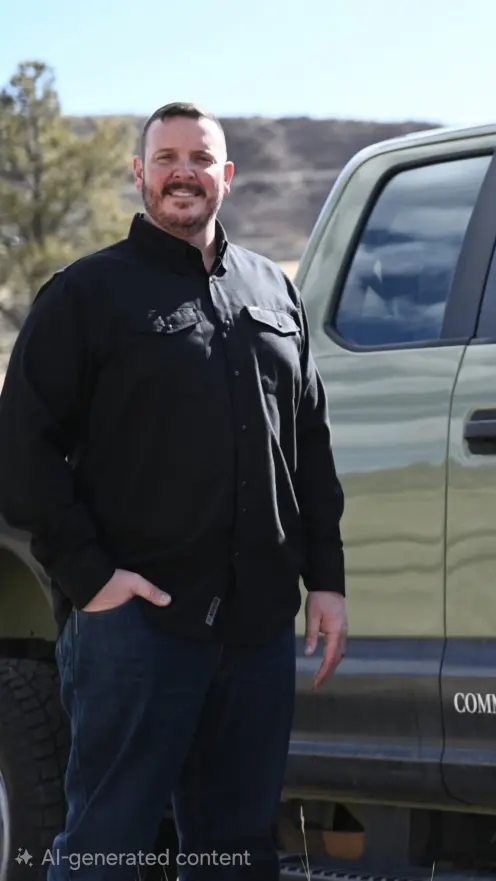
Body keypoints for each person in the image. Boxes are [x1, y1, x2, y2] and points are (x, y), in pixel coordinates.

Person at [0, 102, 348, 879]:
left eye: (200, 157)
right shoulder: (86, 296)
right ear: (140, 174)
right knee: (105, 850)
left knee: (236, 853)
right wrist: (91, 579)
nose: (183, 172)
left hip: (257, 630)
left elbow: (311, 445)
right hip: (137, 629)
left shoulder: (273, 291)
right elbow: (20, 451)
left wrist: (325, 580)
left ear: (226, 175)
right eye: (166, 158)